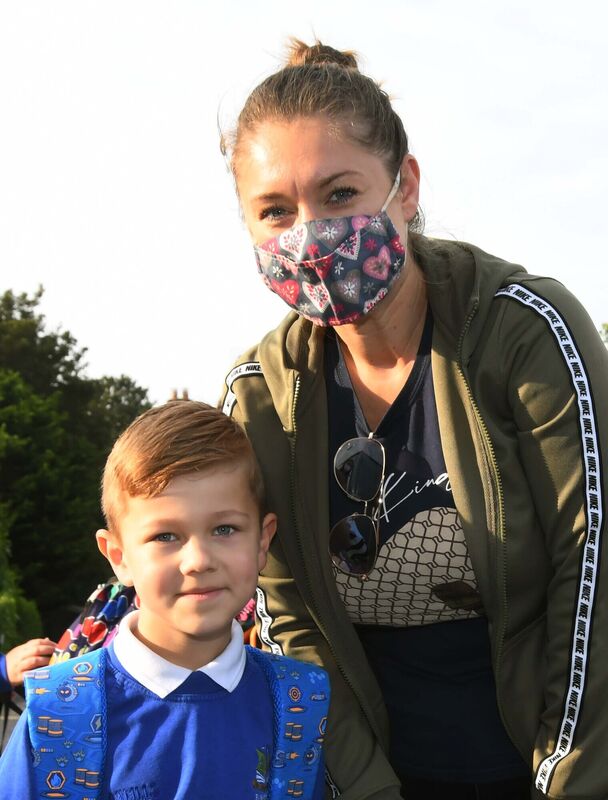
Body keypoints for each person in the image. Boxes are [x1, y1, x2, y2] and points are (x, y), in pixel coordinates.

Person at [218, 38, 608, 800]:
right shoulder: (260, 397)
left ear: (405, 188)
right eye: (275, 211)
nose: (309, 235)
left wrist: (569, 781)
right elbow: (290, 624)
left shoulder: (527, 332)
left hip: (551, 765)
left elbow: (592, 562)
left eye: (339, 195)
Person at [0, 401, 329, 799]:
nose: (199, 561)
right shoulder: (56, 712)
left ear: (263, 540)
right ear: (119, 557)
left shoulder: (302, 702)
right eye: (165, 536)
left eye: (225, 529)